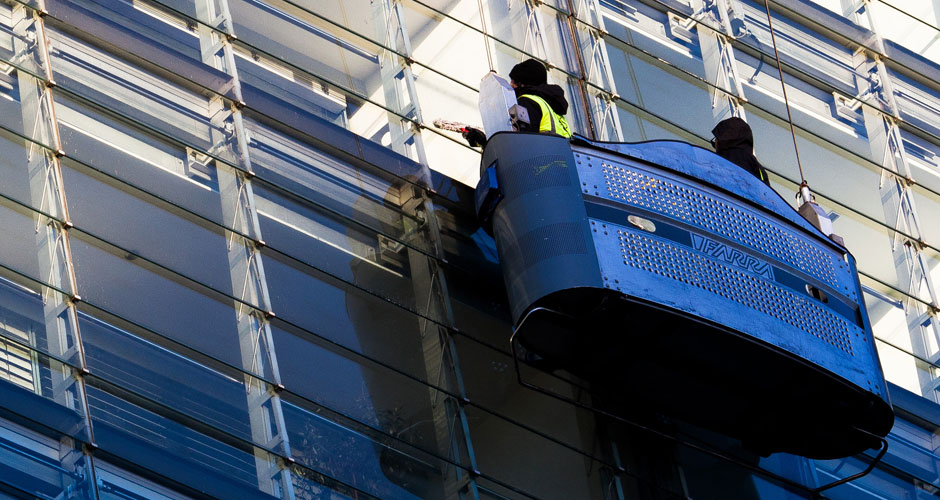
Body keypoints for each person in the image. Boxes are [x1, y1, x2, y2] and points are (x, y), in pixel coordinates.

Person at [463, 58, 571, 147]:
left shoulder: (528, 102)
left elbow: (519, 145)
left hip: (542, 166)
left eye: (514, 81)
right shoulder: (553, 108)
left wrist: (483, 142)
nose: (510, 85)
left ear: (523, 84)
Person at [710, 117, 771, 186]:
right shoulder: (758, 168)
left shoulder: (723, 160)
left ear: (723, 140)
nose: (715, 145)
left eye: (716, 140)